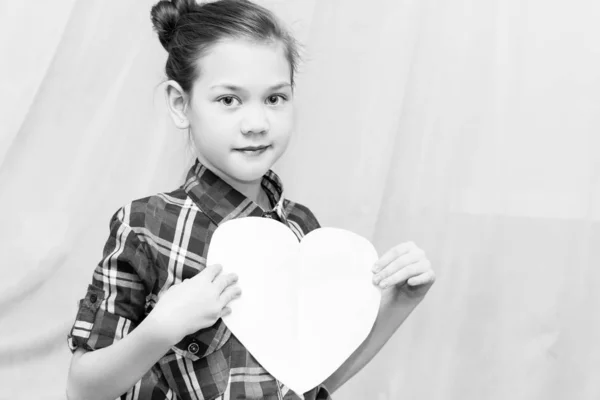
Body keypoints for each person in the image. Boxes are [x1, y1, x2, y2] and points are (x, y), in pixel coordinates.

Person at [65, 0, 436, 399]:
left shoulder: (303, 230)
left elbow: (317, 379)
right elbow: (83, 390)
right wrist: (161, 327)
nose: (257, 123)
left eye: (275, 98)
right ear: (180, 104)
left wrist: (401, 301)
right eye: (229, 100)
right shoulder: (146, 226)